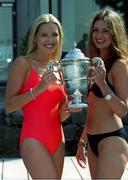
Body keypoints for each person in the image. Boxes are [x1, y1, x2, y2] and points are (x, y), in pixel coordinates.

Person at [5, 14, 81, 179]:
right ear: (35, 39)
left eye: (54, 34)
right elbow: (9, 105)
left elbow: (58, 116)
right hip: (33, 139)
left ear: (60, 38)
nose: (50, 39)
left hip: (57, 139)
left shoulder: (59, 68)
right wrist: (39, 89)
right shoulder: (23, 63)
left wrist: (67, 109)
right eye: (44, 35)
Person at [76, 9, 128, 179]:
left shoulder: (121, 65)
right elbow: (93, 108)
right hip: (92, 140)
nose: (99, 35)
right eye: (96, 30)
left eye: (105, 30)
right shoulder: (93, 64)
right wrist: (82, 141)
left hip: (113, 140)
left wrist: (102, 84)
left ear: (114, 33)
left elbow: (122, 110)